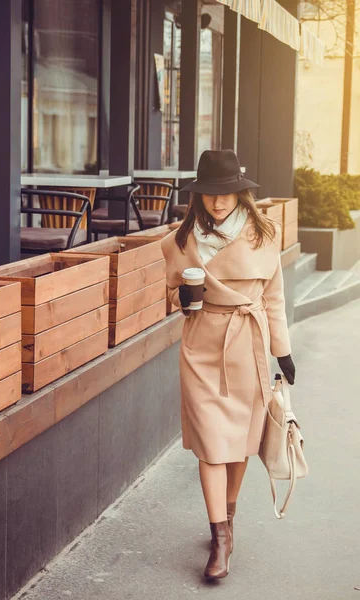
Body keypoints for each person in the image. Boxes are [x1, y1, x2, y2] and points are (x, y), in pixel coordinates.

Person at [161, 149, 295, 580]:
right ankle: (218, 537)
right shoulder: (180, 241)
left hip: (248, 343)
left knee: (240, 442)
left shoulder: (264, 234)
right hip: (201, 344)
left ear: (241, 192)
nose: (217, 202)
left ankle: (229, 518)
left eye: (227, 193)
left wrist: (283, 349)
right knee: (211, 442)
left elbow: (273, 296)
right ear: (196, 196)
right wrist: (182, 299)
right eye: (208, 195)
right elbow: (170, 298)